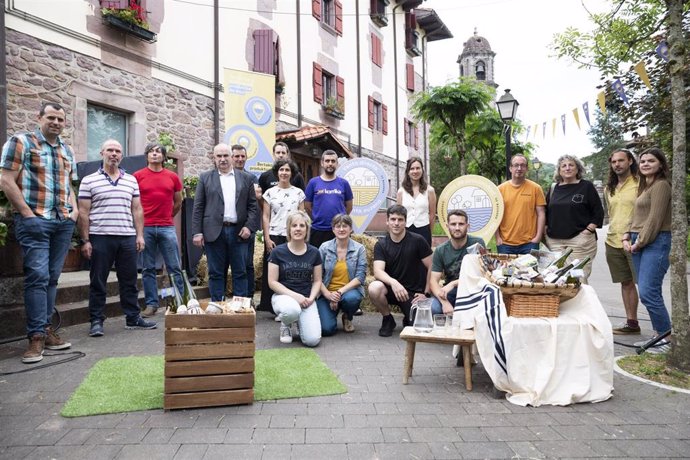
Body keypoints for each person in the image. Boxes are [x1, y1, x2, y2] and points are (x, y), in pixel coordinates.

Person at [0, 102, 77, 363]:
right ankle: (35, 337)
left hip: (62, 221)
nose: (56, 123)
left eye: (60, 119)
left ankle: (46, 330)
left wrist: (73, 212)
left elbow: (69, 184)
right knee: (38, 276)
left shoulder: (67, 149)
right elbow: (6, 179)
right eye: (51, 118)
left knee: (53, 278)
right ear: (39, 118)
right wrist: (27, 214)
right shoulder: (21, 141)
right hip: (35, 220)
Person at [78, 139, 156, 337]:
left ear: (121, 155)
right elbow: (83, 213)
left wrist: (139, 235)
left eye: (118, 151)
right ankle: (96, 321)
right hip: (100, 237)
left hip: (127, 237)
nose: (114, 154)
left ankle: (132, 318)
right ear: (102, 152)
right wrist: (85, 240)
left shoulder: (131, 180)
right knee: (98, 281)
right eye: (110, 150)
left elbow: (137, 209)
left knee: (129, 280)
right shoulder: (88, 180)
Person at [192, 143, 259, 300]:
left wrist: (249, 227)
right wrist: (197, 232)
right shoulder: (205, 177)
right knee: (215, 273)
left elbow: (253, 207)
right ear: (214, 158)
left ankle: (240, 309)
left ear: (231, 156)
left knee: (240, 272)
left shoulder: (246, 178)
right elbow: (198, 207)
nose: (222, 159)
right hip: (214, 232)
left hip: (239, 233)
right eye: (219, 156)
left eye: (225, 155)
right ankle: (217, 306)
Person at [623, 148, 672, 354]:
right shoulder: (645, 187)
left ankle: (666, 338)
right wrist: (626, 235)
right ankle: (657, 335)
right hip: (638, 240)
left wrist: (639, 242)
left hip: (655, 241)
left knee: (649, 292)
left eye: (651, 160)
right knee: (647, 292)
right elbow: (635, 215)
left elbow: (655, 219)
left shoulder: (661, 186)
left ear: (661, 164)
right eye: (642, 161)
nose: (645, 164)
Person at [133, 142, 184, 317]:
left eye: (158, 152)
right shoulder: (137, 176)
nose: (154, 154)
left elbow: (178, 201)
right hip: (145, 227)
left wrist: (169, 216)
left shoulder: (172, 177)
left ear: (163, 156)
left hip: (166, 227)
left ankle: (180, 301)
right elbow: (133, 203)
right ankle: (151, 304)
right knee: (148, 268)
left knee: (174, 267)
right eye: (151, 152)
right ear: (146, 156)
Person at [368, 205, 432, 337]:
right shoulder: (381, 244)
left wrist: (426, 293)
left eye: (400, 220)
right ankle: (388, 319)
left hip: (413, 294)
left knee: (417, 328)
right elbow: (378, 271)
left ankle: (407, 316)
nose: (396, 223)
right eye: (393, 219)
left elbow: (432, 266)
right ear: (387, 221)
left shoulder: (418, 240)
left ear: (405, 222)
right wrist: (394, 283)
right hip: (392, 290)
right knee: (374, 287)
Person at [544, 154, 604, 282]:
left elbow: (598, 212)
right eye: (563, 166)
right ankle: (560, 303)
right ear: (559, 170)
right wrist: (545, 229)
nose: (567, 168)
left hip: (580, 240)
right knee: (557, 278)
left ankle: (583, 302)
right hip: (555, 242)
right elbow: (546, 211)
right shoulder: (554, 188)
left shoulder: (586, 186)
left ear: (578, 169)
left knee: (577, 278)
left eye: (571, 165)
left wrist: (587, 231)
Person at [267, 210, 322, 347]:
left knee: (312, 340)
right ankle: (286, 324)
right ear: (289, 229)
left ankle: (300, 322)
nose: (298, 229)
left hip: (306, 300)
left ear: (307, 229)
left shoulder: (314, 252)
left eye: (302, 226)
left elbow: (317, 280)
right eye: (294, 225)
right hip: (284, 297)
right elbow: (272, 282)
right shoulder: (277, 252)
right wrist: (296, 296)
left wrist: (311, 298)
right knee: (291, 310)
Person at [258, 159, 306, 312]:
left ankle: (290, 304)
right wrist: (267, 238)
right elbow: (266, 216)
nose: (284, 173)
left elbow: (302, 215)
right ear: (277, 173)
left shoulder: (299, 193)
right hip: (274, 235)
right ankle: (270, 306)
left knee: (289, 271)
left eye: (287, 170)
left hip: (292, 236)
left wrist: (302, 237)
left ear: (292, 173)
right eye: (281, 170)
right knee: (272, 271)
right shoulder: (269, 193)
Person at [604, 149, 641, 335]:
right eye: (614, 162)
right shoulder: (609, 188)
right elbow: (611, 213)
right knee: (626, 283)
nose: (617, 164)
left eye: (621, 160)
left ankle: (661, 330)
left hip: (636, 240)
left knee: (646, 284)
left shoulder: (640, 183)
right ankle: (632, 323)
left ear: (630, 161)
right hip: (613, 241)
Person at [317, 214, 367, 335]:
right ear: (333, 229)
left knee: (352, 299)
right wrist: (329, 295)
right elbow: (317, 277)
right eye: (337, 226)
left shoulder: (359, 249)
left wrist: (339, 293)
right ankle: (331, 315)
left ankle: (347, 316)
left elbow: (360, 277)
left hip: (348, 292)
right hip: (327, 293)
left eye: (345, 226)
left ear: (350, 229)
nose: (341, 229)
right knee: (326, 330)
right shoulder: (324, 248)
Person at [429, 210, 485, 315]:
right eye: (453, 224)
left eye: (461, 224)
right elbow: (433, 281)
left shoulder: (477, 243)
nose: (457, 228)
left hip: (473, 291)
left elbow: (481, 274)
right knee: (434, 308)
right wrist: (444, 302)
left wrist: (453, 283)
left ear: (468, 226)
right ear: (447, 226)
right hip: (450, 293)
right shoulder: (441, 250)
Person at [496, 154, 546, 254]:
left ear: (527, 168)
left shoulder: (536, 188)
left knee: (530, 270)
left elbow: (541, 213)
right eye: (516, 165)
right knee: (506, 270)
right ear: (510, 168)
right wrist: (497, 238)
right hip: (505, 244)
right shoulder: (500, 190)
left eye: (523, 165)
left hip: (529, 243)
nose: (519, 168)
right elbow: (495, 215)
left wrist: (538, 237)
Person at [304, 149, 353, 248]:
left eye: (333, 161)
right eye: (327, 161)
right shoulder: (313, 183)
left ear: (337, 164)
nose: (330, 164)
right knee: (318, 261)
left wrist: (340, 220)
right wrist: (317, 217)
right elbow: (307, 206)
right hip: (318, 230)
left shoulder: (344, 183)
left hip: (339, 230)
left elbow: (349, 206)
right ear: (322, 163)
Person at [231, 144, 262, 297]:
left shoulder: (251, 177)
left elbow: (255, 199)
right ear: (231, 157)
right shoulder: (222, 177)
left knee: (248, 264)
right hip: (228, 227)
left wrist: (249, 226)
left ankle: (248, 298)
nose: (240, 159)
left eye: (242, 156)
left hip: (248, 227)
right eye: (236, 156)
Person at [396, 156, 436, 246]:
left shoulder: (430, 190)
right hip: (406, 231)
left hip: (424, 230)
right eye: (412, 169)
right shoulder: (401, 191)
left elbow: (432, 215)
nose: (415, 171)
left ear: (422, 170)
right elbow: (399, 214)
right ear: (408, 172)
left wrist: (430, 233)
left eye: (418, 168)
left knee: (423, 259)